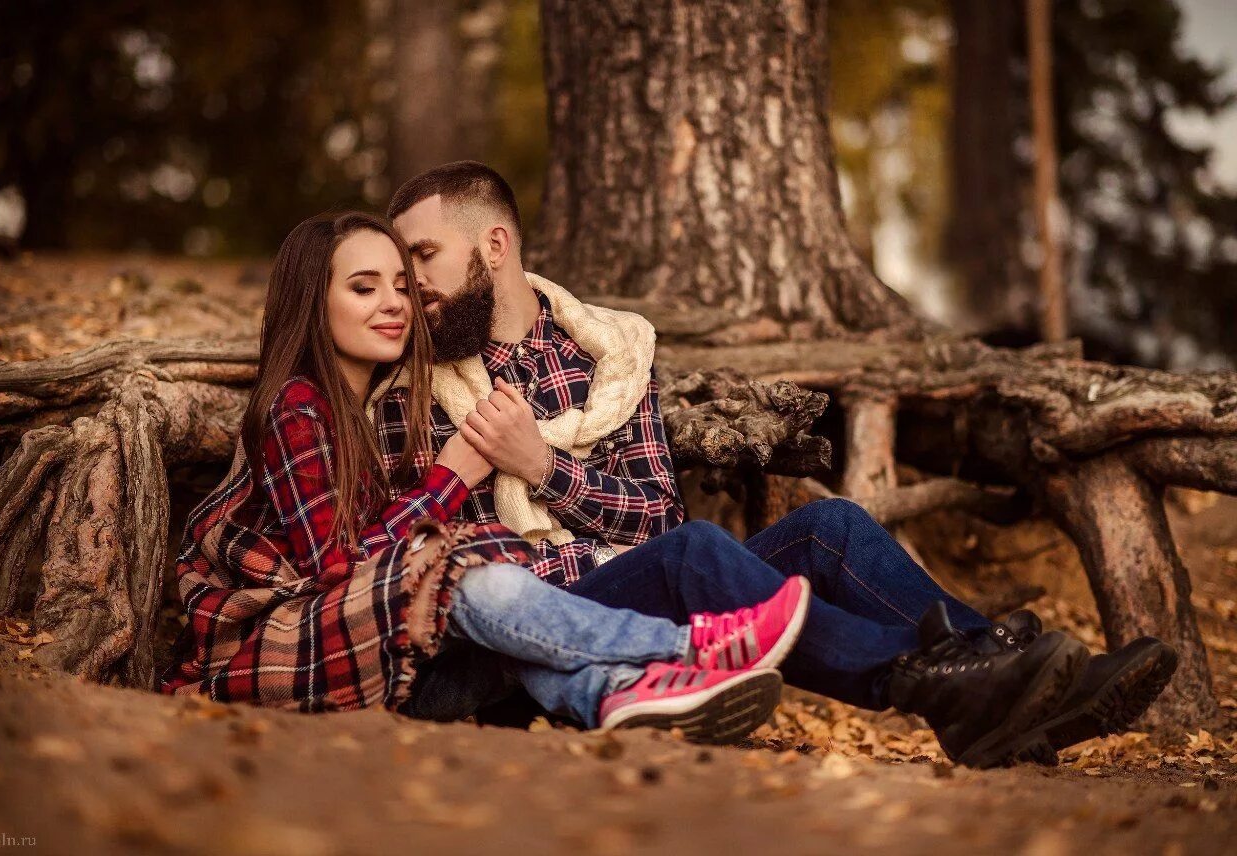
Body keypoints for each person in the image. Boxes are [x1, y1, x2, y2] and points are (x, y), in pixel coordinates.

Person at [377, 161, 1179, 768]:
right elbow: (426, 564)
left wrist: (544, 468)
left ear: (494, 243)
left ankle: (1009, 676)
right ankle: (946, 686)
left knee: (829, 525)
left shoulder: (608, 353)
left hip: (628, 572)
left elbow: (655, 513)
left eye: (424, 255)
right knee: (696, 553)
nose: (413, 284)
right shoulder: (411, 382)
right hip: (530, 627)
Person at [158, 211, 816, 745]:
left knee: (499, 619)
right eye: (364, 288)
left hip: (387, 672)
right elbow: (338, 568)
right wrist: (453, 476)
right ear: (314, 301)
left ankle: (616, 695)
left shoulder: (371, 409)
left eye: (400, 285)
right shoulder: (299, 404)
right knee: (472, 575)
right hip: (279, 656)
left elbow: (386, 567)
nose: (393, 304)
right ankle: (692, 645)